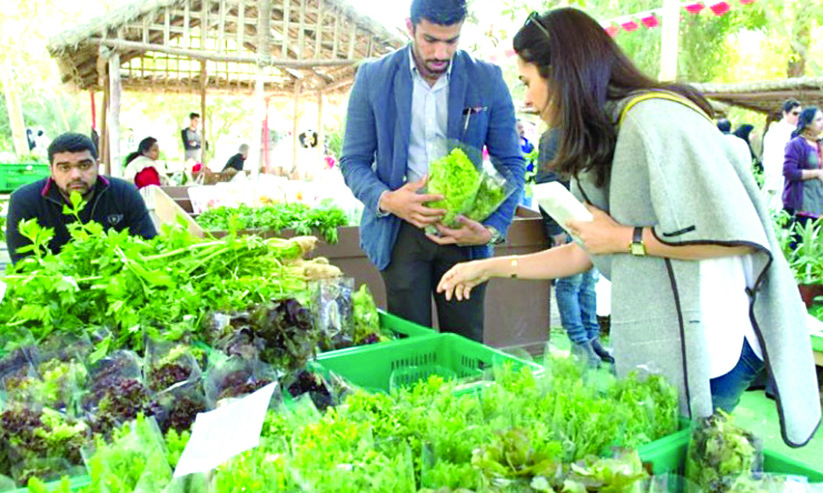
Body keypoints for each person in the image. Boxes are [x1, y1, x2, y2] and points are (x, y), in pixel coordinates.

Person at [436, 8, 819, 446]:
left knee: (685, 459)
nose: (528, 99)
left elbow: (727, 235)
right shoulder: (607, 132)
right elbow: (585, 249)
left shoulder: (653, 119)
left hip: (716, 346)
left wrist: (625, 238)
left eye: (527, 81)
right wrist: (487, 268)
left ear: (560, 74)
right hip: (678, 341)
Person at [339, 0, 525, 343]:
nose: (441, 53)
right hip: (399, 232)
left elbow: (511, 164)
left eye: (451, 41)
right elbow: (353, 161)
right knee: (409, 347)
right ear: (410, 27)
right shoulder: (373, 77)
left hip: (465, 233)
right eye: (430, 40)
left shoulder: (487, 79)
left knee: (466, 344)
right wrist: (388, 200)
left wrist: (490, 230)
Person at [6, 132, 157, 263]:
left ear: (97, 165)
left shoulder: (125, 193)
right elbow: (24, 265)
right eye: (65, 167)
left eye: (84, 165)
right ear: (51, 170)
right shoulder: (24, 201)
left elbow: (149, 247)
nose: (76, 175)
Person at [535, 129, 612, 366]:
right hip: (567, 220)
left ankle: (591, 338)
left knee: (589, 283)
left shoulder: (586, 129)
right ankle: (579, 342)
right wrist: (554, 228)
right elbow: (545, 181)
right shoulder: (554, 135)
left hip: (590, 220)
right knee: (570, 283)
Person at [782, 106, 823, 230]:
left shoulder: (819, 144)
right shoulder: (796, 144)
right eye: (818, 120)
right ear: (807, 124)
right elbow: (789, 172)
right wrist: (816, 173)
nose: (822, 123)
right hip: (801, 205)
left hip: (819, 203)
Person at [762, 99, 802, 211]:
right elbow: (770, 158)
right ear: (785, 113)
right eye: (795, 113)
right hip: (779, 179)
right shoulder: (775, 133)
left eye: (800, 114)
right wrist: (772, 182)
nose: (798, 117)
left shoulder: (800, 133)